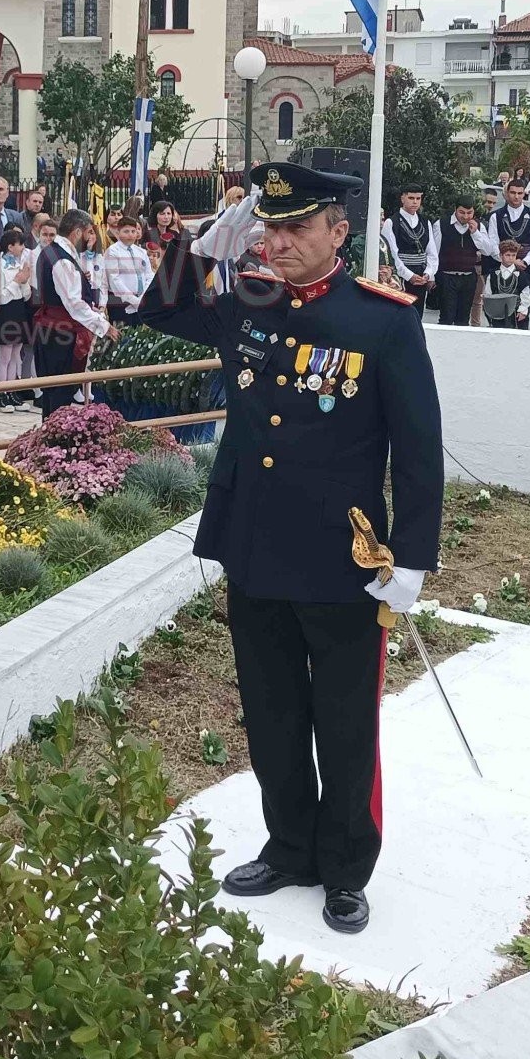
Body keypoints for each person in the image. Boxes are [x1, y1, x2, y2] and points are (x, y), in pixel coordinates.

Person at [134, 163, 442, 935]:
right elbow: (161, 309)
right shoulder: (251, 300)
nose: (279, 243)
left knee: (343, 722)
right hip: (256, 546)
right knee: (271, 714)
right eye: (269, 228)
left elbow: (419, 448)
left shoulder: (382, 320)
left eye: (295, 228)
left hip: (344, 558)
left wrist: (410, 557)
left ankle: (345, 866)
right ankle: (291, 846)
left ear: (338, 232)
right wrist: (205, 243)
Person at [31, 209, 116, 414]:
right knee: (59, 393)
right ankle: (54, 443)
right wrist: (104, 326)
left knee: (57, 393)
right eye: (88, 232)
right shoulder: (61, 259)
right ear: (77, 232)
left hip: (53, 329)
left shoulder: (52, 252)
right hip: (59, 333)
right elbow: (74, 304)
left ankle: (50, 441)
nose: (89, 239)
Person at [0, 224, 36, 408]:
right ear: (10, 246)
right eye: (19, 244)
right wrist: (16, 281)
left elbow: (26, 295)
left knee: (17, 354)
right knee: (5, 355)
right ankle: (2, 393)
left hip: (19, 310)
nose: (22, 248)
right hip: (6, 312)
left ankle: (13, 391)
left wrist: (24, 282)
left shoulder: (19, 265)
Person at [379, 188, 438, 314]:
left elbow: (432, 252)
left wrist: (428, 273)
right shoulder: (391, 222)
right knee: (400, 314)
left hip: (421, 276)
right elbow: (391, 255)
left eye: (418, 198)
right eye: (411, 198)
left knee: (417, 315)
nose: (415, 202)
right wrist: (409, 276)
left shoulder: (425, 222)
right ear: (402, 198)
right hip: (400, 278)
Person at [433, 201, 491, 327]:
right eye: (462, 212)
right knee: (446, 317)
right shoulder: (442, 224)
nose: (465, 216)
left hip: (468, 277)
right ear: (455, 210)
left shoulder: (479, 226)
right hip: (447, 276)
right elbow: (434, 252)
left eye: (469, 213)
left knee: (463, 319)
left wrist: (475, 233)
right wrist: (432, 276)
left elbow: (487, 250)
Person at [102, 215, 155, 322]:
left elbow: (149, 275)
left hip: (141, 301)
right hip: (120, 302)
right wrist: (134, 300)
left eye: (133, 231)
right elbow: (114, 280)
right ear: (118, 232)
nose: (130, 235)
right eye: (126, 231)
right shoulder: (112, 251)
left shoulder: (141, 252)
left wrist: (142, 297)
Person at [488, 180, 530, 274]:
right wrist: (511, 261)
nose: (516, 196)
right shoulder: (496, 216)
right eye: (513, 192)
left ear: (524, 194)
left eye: (520, 193)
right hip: (502, 268)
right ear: (507, 193)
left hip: (527, 268)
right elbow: (493, 243)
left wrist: (526, 261)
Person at [482, 239, 530, 329]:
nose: (511, 258)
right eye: (508, 255)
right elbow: (488, 294)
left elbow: (525, 294)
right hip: (497, 314)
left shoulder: (521, 275)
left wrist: (523, 310)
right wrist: (490, 311)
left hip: (516, 315)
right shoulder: (493, 275)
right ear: (501, 255)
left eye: (513, 255)